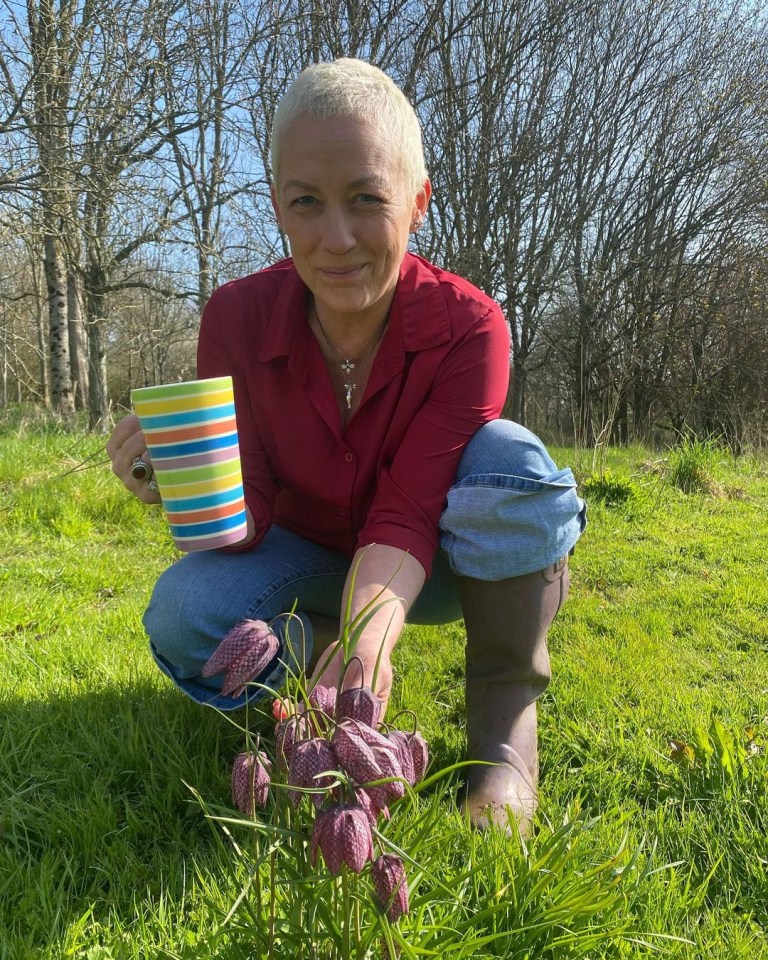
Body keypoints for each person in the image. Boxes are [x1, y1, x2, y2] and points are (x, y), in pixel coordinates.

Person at [107, 58, 586, 834]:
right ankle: (324, 679)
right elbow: (251, 512)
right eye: (308, 202)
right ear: (279, 210)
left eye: (367, 199)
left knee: (511, 458)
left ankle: (502, 728)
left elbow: (406, 510)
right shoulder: (235, 318)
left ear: (418, 202)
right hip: (307, 554)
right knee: (184, 612)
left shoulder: (471, 327)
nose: (337, 238)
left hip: (432, 566)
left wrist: (373, 628)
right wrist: (178, 480)